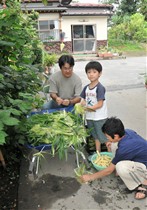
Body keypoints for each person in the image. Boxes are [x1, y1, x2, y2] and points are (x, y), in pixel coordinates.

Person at [80, 117, 147, 200]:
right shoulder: (128, 132)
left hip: (145, 167)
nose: (107, 139)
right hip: (141, 158)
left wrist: (90, 177)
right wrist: (111, 144)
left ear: (115, 136)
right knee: (114, 145)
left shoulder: (124, 148)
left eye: (108, 137)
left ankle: (143, 183)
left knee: (120, 167)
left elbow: (109, 170)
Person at [80, 61, 108, 152]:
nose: (91, 74)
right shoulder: (86, 88)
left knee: (103, 137)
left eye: (94, 72)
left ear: (100, 74)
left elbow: (100, 104)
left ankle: (111, 157)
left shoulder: (100, 88)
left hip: (99, 117)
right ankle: (98, 153)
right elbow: (83, 100)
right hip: (90, 117)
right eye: (89, 72)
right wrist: (81, 105)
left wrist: (88, 108)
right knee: (95, 136)